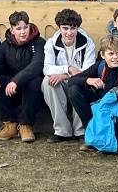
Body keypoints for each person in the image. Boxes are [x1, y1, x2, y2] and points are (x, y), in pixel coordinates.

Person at [70, 35, 118, 152]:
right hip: (102, 111)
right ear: (102, 55)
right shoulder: (100, 66)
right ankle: (92, 131)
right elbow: (72, 80)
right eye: (111, 54)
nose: (115, 57)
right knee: (74, 90)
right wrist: (88, 80)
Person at [0, 10, 46, 142]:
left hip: (30, 89)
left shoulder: (39, 42)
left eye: (26, 27)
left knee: (36, 82)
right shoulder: (5, 45)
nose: (23, 32)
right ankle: (10, 123)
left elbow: (37, 65)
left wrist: (16, 81)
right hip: (12, 90)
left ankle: (25, 125)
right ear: (12, 30)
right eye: (18, 28)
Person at [41, 8, 96, 143]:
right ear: (59, 28)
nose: (69, 32)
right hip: (63, 82)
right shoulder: (51, 43)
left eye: (73, 28)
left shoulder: (88, 43)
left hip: (78, 81)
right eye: (65, 28)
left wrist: (65, 76)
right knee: (47, 82)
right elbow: (47, 68)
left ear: (78, 28)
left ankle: (81, 130)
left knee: (78, 85)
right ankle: (62, 131)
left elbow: (86, 71)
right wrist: (68, 69)